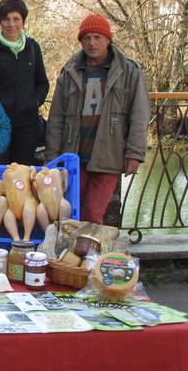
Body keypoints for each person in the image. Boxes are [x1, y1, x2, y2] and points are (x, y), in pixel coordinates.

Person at [45, 14, 149, 225]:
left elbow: (139, 114)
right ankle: (67, 258)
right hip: (74, 156)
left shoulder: (128, 70)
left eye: (97, 37)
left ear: (108, 39)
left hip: (108, 156)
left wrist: (135, 153)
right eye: (87, 38)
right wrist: (52, 157)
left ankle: (91, 257)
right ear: (81, 41)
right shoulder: (70, 71)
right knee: (68, 211)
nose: (92, 43)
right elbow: (56, 117)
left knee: (93, 214)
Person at [0, 0, 49, 165]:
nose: (11, 24)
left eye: (16, 19)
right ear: (0, 21)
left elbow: (42, 82)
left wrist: (34, 101)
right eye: (6, 19)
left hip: (27, 125)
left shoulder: (32, 47)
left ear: (23, 21)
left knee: (22, 175)